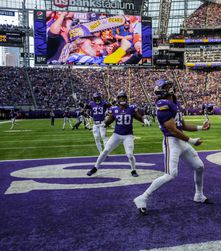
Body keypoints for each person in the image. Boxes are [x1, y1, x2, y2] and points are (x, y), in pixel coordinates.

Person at [134, 79, 211, 216]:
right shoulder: (162, 104)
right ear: (161, 90)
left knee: (199, 166)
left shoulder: (174, 103)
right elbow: (172, 129)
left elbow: (182, 125)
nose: (170, 87)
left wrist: (201, 127)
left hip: (181, 141)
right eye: (167, 86)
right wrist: (192, 141)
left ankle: (198, 195)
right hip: (172, 142)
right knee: (171, 174)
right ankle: (143, 197)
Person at [86, 91, 144, 177]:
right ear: (118, 99)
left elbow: (139, 117)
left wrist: (144, 119)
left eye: (123, 97)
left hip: (128, 135)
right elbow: (110, 120)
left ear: (126, 99)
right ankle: (95, 168)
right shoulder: (114, 109)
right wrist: (104, 124)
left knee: (130, 155)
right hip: (116, 135)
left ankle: (133, 170)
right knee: (105, 150)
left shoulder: (131, 108)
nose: (122, 99)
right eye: (120, 98)